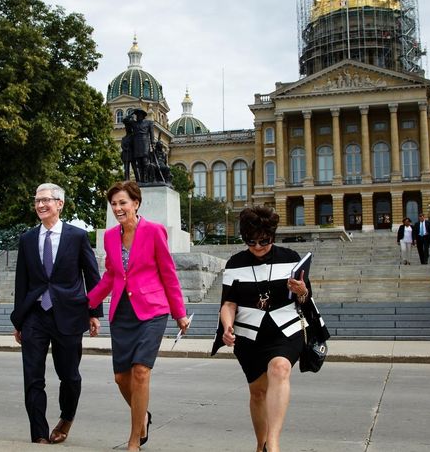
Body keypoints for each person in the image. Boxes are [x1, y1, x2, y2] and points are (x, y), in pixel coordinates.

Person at [87, 180, 190, 451]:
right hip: (122, 311)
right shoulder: (110, 236)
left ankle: (135, 438)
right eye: (114, 204)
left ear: (136, 203)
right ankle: (142, 414)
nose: (118, 208)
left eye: (123, 202)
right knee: (122, 378)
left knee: (141, 372)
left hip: (152, 310)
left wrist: (179, 313)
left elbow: (168, 273)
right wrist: (88, 304)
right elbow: (111, 275)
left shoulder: (154, 231)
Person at [211, 206, 319, 452]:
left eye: (264, 241)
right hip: (248, 335)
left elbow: (305, 299)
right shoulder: (235, 263)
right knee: (258, 393)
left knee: (280, 369)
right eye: (251, 241)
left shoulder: (291, 258)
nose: (258, 246)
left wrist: (302, 291)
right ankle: (261, 444)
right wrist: (227, 326)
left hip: (286, 330)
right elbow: (228, 303)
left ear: (273, 235)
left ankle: (274, 444)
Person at [10, 183, 103, 444]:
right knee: (32, 377)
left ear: (59, 204)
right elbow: (22, 281)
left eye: (46, 200)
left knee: (69, 375)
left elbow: (92, 276)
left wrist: (94, 312)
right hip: (35, 316)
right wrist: (19, 319)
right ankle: (38, 433)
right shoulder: (27, 238)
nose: (40, 205)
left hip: (70, 315)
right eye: (37, 200)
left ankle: (66, 418)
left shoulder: (77, 236)